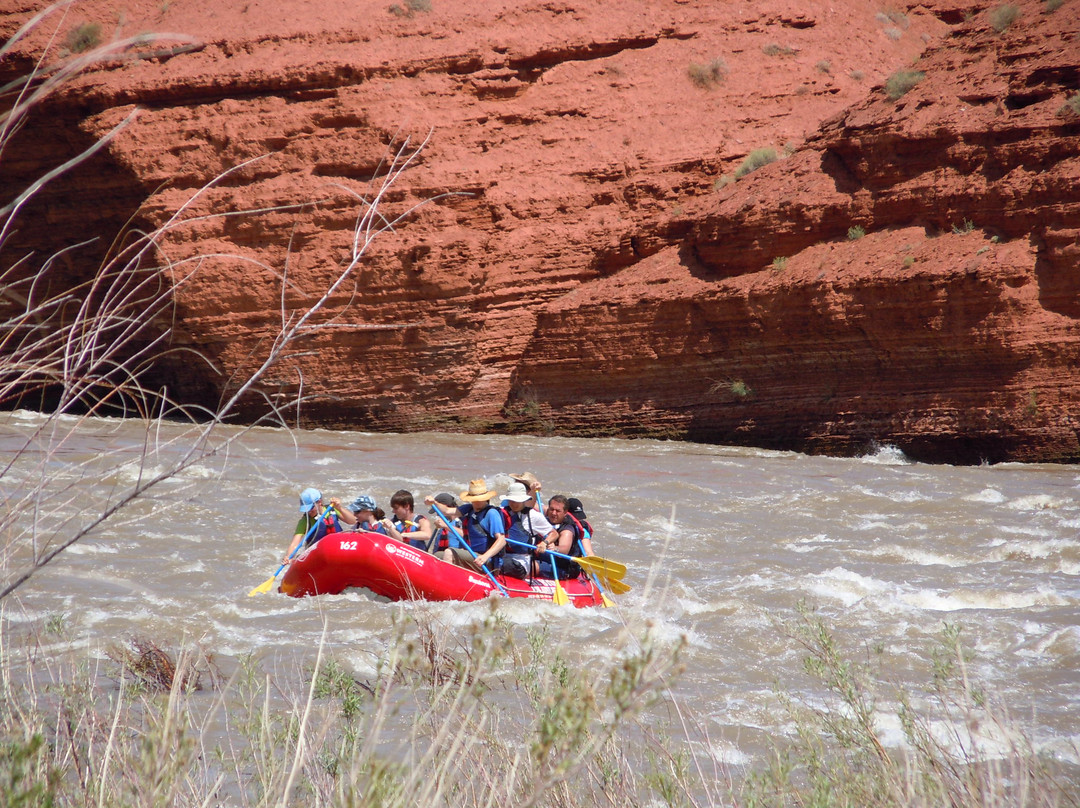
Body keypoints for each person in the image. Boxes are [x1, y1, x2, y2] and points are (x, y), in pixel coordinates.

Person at [427, 479, 507, 570]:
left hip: (486, 560)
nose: (476, 502)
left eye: (480, 499)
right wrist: (434, 502)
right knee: (437, 555)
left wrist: (485, 556)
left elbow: (501, 540)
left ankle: (449, 579)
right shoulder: (469, 509)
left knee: (449, 552)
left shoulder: (492, 513)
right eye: (474, 500)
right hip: (473, 554)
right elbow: (447, 511)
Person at [500, 480, 557, 578]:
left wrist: (544, 543)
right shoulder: (501, 513)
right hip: (502, 555)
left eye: (517, 501)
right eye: (511, 500)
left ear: (523, 500)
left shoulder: (533, 516)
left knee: (500, 563)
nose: (513, 504)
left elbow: (554, 533)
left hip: (521, 562)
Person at [282, 487, 349, 564]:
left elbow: (352, 521)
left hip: (338, 549)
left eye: (310, 508)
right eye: (306, 509)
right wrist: (288, 556)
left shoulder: (332, 509)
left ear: (319, 502)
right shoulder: (305, 521)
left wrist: (339, 508)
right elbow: (295, 543)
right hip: (318, 555)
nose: (308, 511)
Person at [536, 494, 583, 579]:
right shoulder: (546, 519)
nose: (554, 513)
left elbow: (564, 549)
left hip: (562, 568)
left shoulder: (567, 529)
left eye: (558, 511)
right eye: (551, 509)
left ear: (565, 513)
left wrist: (555, 549)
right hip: (546, 559)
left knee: (532, 566)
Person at [426, 492, 461, 560]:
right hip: (441, 557)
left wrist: (446, 526)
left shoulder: (460, 521)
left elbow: (466, 535)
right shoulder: (442, 525)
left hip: (455, 557)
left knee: (438, 555)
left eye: (438, 511)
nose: (437, 515)